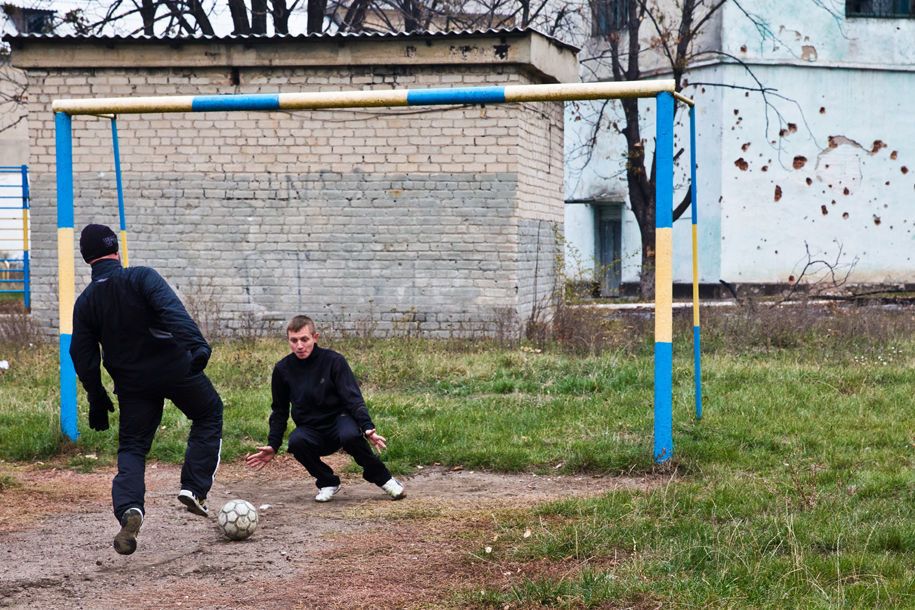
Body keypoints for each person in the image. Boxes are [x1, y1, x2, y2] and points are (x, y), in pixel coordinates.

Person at [69, 223, 224, 556]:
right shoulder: (141, 277)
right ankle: (194, 488)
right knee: (208, 412)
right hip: (175, 367)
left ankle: (129, 509)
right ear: (117, 251)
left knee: (133, 446)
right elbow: (172, 311)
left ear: (86, 258)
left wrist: (96, 397)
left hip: (132, 383)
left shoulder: (86, 302)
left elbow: (82, 355)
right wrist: (197, 347)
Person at [245, 315, 405, 502]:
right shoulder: (282, 369)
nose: (299, 345)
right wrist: (273, 444)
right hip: (311, 428)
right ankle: (327, 481)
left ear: (315, 337)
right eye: (294, 340)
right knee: (296, 441)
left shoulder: (334, 361)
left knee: (351, 436)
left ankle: (385, 479)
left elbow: (353, 398)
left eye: (304, 339)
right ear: (288, 340)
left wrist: (367, 427)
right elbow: (279, 411)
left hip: (339, 421)